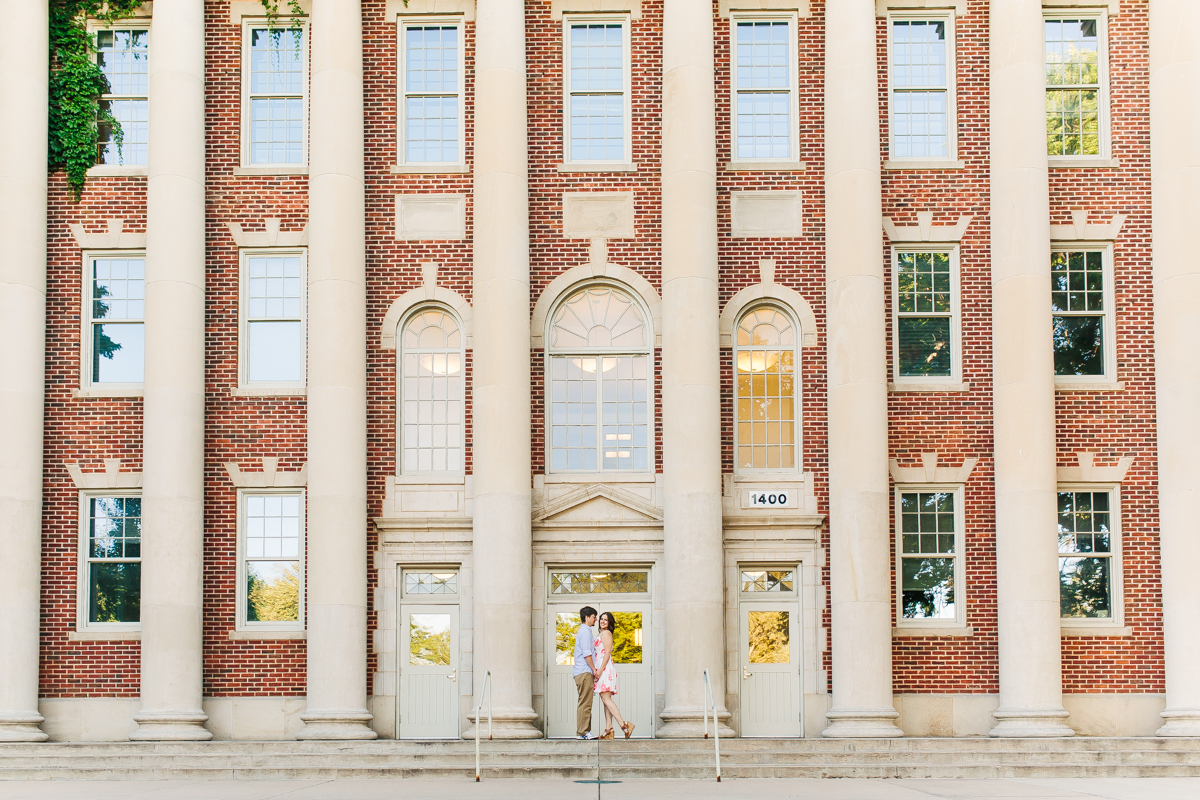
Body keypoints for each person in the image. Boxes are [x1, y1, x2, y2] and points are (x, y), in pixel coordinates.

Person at [594, 611, 634, 739]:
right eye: (601, 619)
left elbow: (607, 652)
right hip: (602, 667)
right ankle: (608, 729)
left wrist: (600, 670)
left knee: (606, 699)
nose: (603, 621)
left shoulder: (606, 633)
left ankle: (624, 725)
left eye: (606, 620)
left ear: (610, 622)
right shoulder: (601, 633)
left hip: (605, 668)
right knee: (605, 700)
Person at [573, 606, 599, 739]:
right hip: (584, 671)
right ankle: (583, 732)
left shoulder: (585, 631)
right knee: (585, 703)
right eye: (594, 616)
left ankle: (583, 731)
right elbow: (587, 654)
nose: (595, 619)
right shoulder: (585, 632)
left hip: (582, 671)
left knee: (585, 702)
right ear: (586, 617)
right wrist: (594, 669)